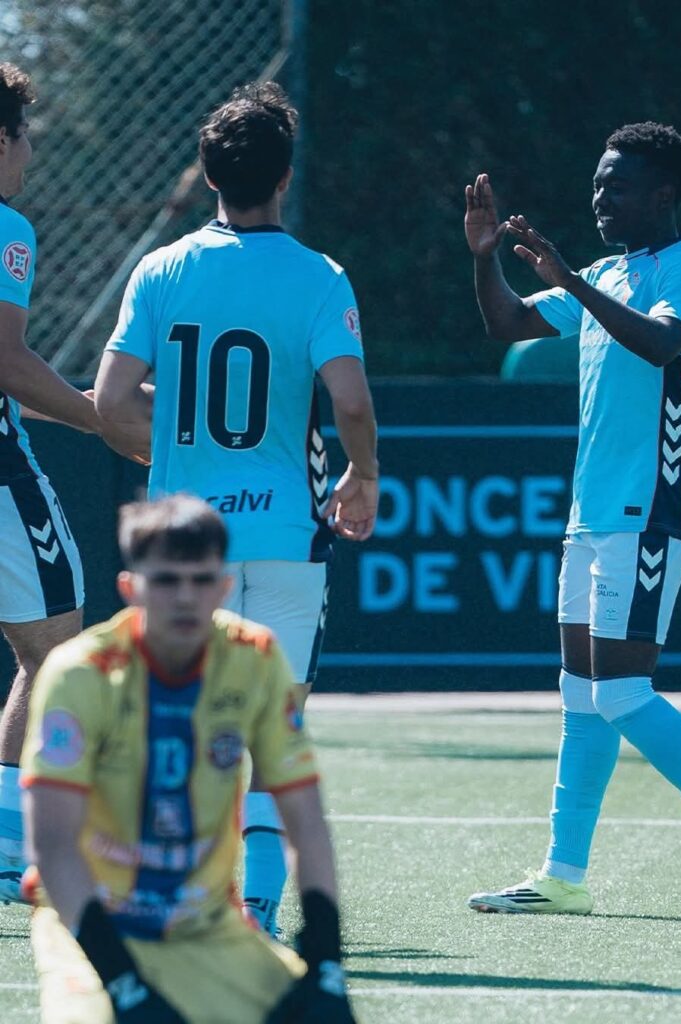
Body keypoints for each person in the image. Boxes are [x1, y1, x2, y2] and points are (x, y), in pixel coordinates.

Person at [463, 122, 681, 921]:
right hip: (592, 513)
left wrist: (572, 283)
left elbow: (661, 344)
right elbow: (507, 323)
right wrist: (482, 257)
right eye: (595, 184)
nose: (599, 197)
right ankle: (562, 876)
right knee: (581, 693)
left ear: (663, 194)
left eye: (616, 185)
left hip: (648, 508)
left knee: (618, 691)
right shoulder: (605, 271)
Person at [93, 81, 378, 936]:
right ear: (285, 176)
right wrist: (362, 475)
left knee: (181, 723)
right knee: (272, 729)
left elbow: (109, 401)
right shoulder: (319, 276)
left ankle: (178, 890)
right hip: (286, 535)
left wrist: (162, 448)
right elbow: (350, 402)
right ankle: (255, 901)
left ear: (209, 175)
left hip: (184, 544)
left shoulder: (162, 269)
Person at [21, 494, 357, 1024]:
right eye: (165, 581)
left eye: (201, 581)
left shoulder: (255, 657)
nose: (184, 597)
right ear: (130, 588)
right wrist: (122, 981)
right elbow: (53, 844)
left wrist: (326, 957)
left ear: (223, 588)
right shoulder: (79, 672)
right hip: (90, 929)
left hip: (207, 927)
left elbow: (306, 819)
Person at [0, 62, 95, 904]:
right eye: (24, 135)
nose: (30, 152)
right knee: (54, 651)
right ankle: (7, 852)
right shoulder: (6, 227)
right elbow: (6, 360)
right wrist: (98, 418)